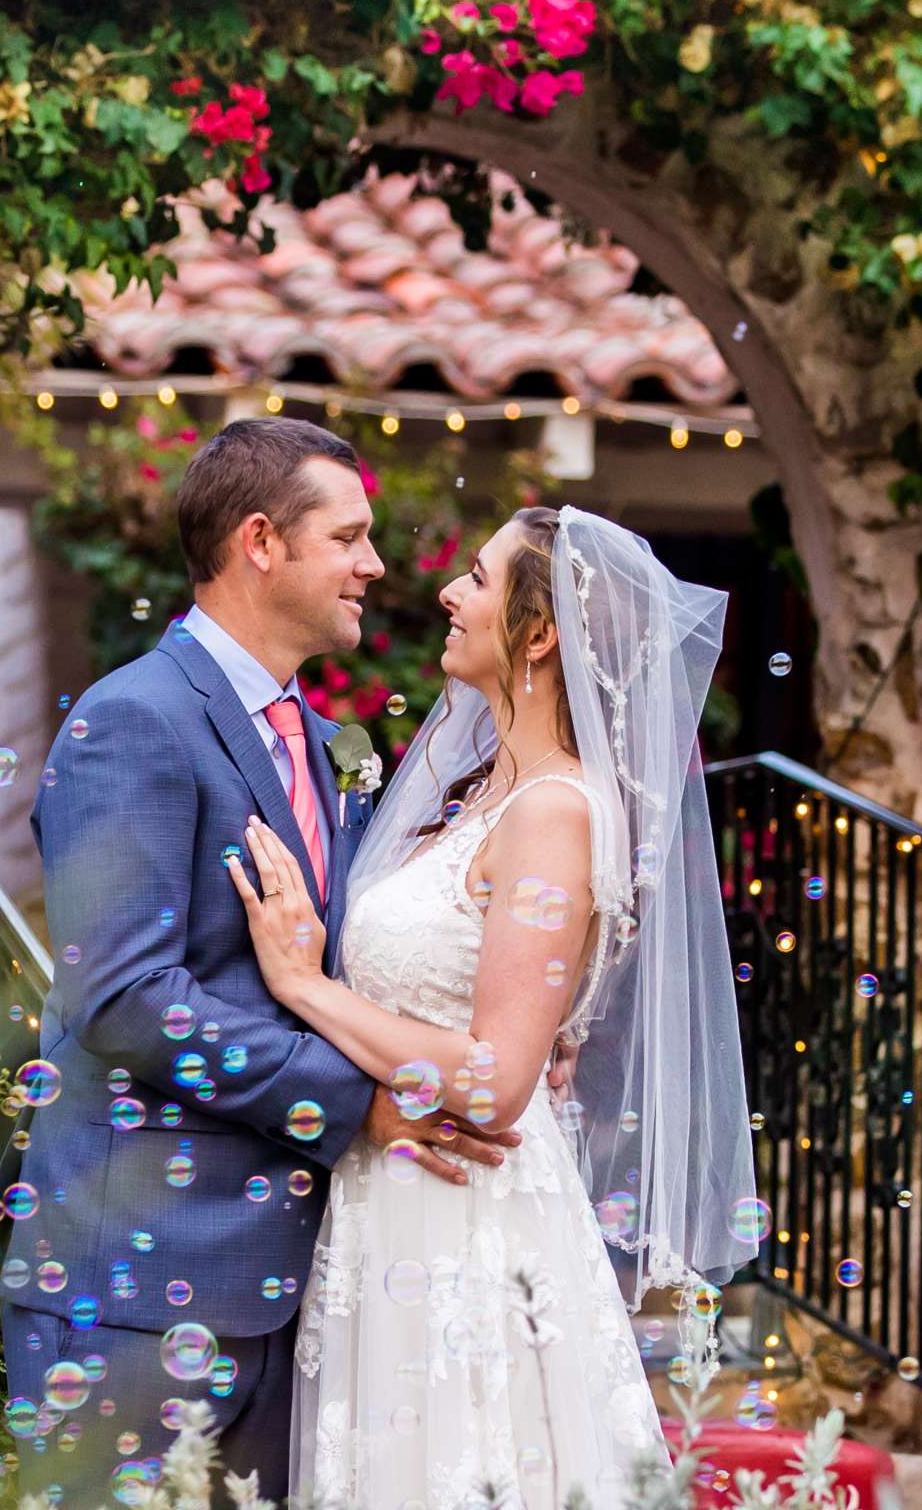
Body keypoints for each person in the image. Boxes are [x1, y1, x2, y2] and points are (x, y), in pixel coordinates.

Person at [2, 418, 547, 1509]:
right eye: (348, 536)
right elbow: (125, 999)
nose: (377, 566)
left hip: (307, 1286)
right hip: (141, 1291)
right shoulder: (132, 721)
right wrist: (362, 1106)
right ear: (261, 541)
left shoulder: (325, 738)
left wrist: (491, 1037)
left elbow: (350, 964)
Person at [226, 504, 760, 1509]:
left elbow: (496, 1078)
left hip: (464, 1222)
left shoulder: (553, 811)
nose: (447, 593)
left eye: (476, 578)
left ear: (539, 631)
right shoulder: (475, 794)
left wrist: (305, 984)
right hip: (392, 1197)